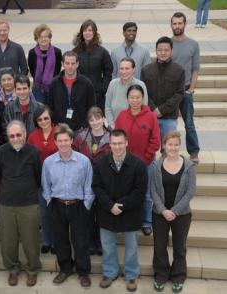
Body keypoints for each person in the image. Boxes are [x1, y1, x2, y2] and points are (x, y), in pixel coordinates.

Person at [92, 129, 148, 292]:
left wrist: (120, 206)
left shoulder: (138, 164)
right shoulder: (101, 163)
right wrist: (110, 205)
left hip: (130, 212)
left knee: (131, 247)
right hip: (106, 211)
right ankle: (110, 272)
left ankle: (131, 275)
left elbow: (140, 191)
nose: (117, 147)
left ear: (126, 143)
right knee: (107, 245)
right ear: (109, 144)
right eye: (114, 144)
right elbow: (97, 186)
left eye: (120, 143)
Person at [42, 123, 94, 288]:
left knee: (81, 240)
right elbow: (46, 185)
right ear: (55, 142)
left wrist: (86, 205)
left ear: (72, 140)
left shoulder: (83, 161)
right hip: (57, 204)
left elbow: (89, 185)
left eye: (66, 140)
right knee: (60, 240)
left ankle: (83, 271)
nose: (63, 143)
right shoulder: (49, 162)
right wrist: (50, 202)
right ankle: (65, 268)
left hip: (78, 205)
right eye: (60, 141)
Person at [0, 120, 42, 287]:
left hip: (28, 203)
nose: (15, 138)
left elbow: (38, 176)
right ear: (8, 137)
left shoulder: (33, 152)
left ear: (24, 134)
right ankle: (13, 269)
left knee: (31, 240)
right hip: (6, 203)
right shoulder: (1, 152)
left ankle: (32, 270)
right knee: (8, 240)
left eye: (18, 135)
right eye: (12, 136)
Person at [151, 131, 196, 293]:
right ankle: (161, 275)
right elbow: (153, 191)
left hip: (182, 215)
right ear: (164, 146)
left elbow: (190, 191)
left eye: (176, 144)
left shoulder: (189, 166)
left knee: (179, 247)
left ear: (180, 146)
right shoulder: (157, 165)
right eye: (170, 144)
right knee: (160, 246)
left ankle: (178, 276)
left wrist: (175, 211)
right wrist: (163, 210)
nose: (173, 148)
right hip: (159, 214)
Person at [115, 84, 160, 236]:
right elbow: (117, 138)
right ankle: (127, 220)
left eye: (137, 97)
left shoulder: (151, 116)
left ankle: (147, 222)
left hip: (146, 163)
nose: (134, 100)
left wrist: (145, 159)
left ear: (143, 98)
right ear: (127, 98)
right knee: (126, 193)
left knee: (146, 195)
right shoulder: (122, 116)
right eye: (131, 97)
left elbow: (155, 140)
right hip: (125, 163)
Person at [73, 106, 111, 256]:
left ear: (103, 119)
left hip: (105, 182)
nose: (95, 122)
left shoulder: (112, 136)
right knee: (87, 213)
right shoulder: (80, 137)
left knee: (102, 213)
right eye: (91, 119)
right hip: (85, 181)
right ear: (88, 121)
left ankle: (101, 243)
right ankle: (89, 242)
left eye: (97, 118)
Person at [140, 37, 185, 141]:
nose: (163, 53)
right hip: (149, 116)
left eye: (166, 50)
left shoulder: (179, 70)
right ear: (156, 51)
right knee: (149, 147)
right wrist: (153, 109)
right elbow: (143, 92)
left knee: (168, 148)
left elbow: (179, 94)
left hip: (169, 118)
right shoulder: (146, 70)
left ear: (171, 51)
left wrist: (161, 110)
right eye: (160, 50)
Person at [27, 105, 58, 254]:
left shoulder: (59, 131)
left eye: (46, 118)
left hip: (58, 179)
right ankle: (46, 240)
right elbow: (30, 159)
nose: (43, 121)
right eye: (40, 119)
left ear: (51, 118)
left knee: (57, 213)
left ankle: (57, 241)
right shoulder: (32, 136)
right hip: (40, 179)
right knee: (44, 212)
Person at [171, 12, 201, 164]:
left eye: (179, 23)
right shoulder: (167, 44)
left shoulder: (193, 44)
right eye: (174, 23)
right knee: (170, 124)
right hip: (170, 92)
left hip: (186, 89)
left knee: (189, 123)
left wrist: (191, 89)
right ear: (171, 25)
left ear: (184, 24)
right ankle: (167, 151)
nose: (177, 26)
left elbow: (196, 69)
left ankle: (194, 152)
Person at [48, 51, 96, 136]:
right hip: (60, 129)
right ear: (62, 64)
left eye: (73, 63)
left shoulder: (86, 83)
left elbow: (91, 107)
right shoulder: (54, 83)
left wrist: (84, 125)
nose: (70, 66)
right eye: (67, 63)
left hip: (80, 130)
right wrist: (55, 124)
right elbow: (50, 106)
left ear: (77, 64)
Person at [72, 19, 113, 111]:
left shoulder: (102, 52)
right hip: (80, 92)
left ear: (94, 32)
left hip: (97, 94)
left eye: (90, 30)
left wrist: (103, 88)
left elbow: (108, 72)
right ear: (81, 33)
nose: (87, 33)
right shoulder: (75, 52)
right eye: (85, 30)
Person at [0, 19, 28, 86]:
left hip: (14, 88)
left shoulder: (18, 48)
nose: (2, 33)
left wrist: (17, 81)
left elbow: (24, 69)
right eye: (0, 31)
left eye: (4, 30)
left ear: (8, 30)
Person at [105, 57, 148, 128]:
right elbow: (107, 107)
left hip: (135, 128)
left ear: (133, 69)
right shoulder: (112, 84)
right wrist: (112, 126)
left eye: (127, 68)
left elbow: (144, 108)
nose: (124, 72)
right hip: (115, 129)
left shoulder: (141, 85)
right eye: (121, 68)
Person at [28, 24, 62, 105]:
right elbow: (32, 70)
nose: (43, 39)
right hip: (38, 88)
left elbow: (58, 69)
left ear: (50, 38)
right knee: (39, 111)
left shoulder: (57, 52)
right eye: (40, 37)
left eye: (46, 36)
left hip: (53, 87)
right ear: (36, 39)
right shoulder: (32, 53)